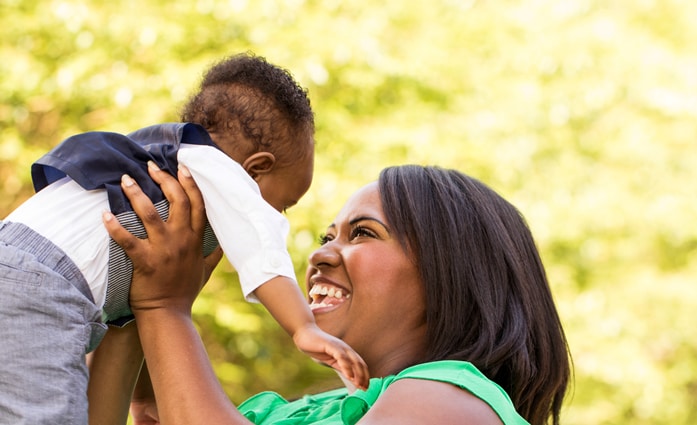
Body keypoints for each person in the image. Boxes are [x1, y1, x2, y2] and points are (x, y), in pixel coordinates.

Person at [0, 53, 367, 424]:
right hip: (40, 290)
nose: (275, 214)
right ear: (256, 170)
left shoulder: (157, 162)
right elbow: (261, 246)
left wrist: (144, 398)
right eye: (284, 204)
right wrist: (302, 327)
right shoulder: (219, 170)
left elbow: (130, 305)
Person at [91, 163, 571, 424]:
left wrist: (166, 308)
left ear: (451, 273)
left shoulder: (452, 401)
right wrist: (136, 294)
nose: (320, 256)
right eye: (327, 237)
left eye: (362, 234)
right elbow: (159, 411)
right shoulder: (279, 413)